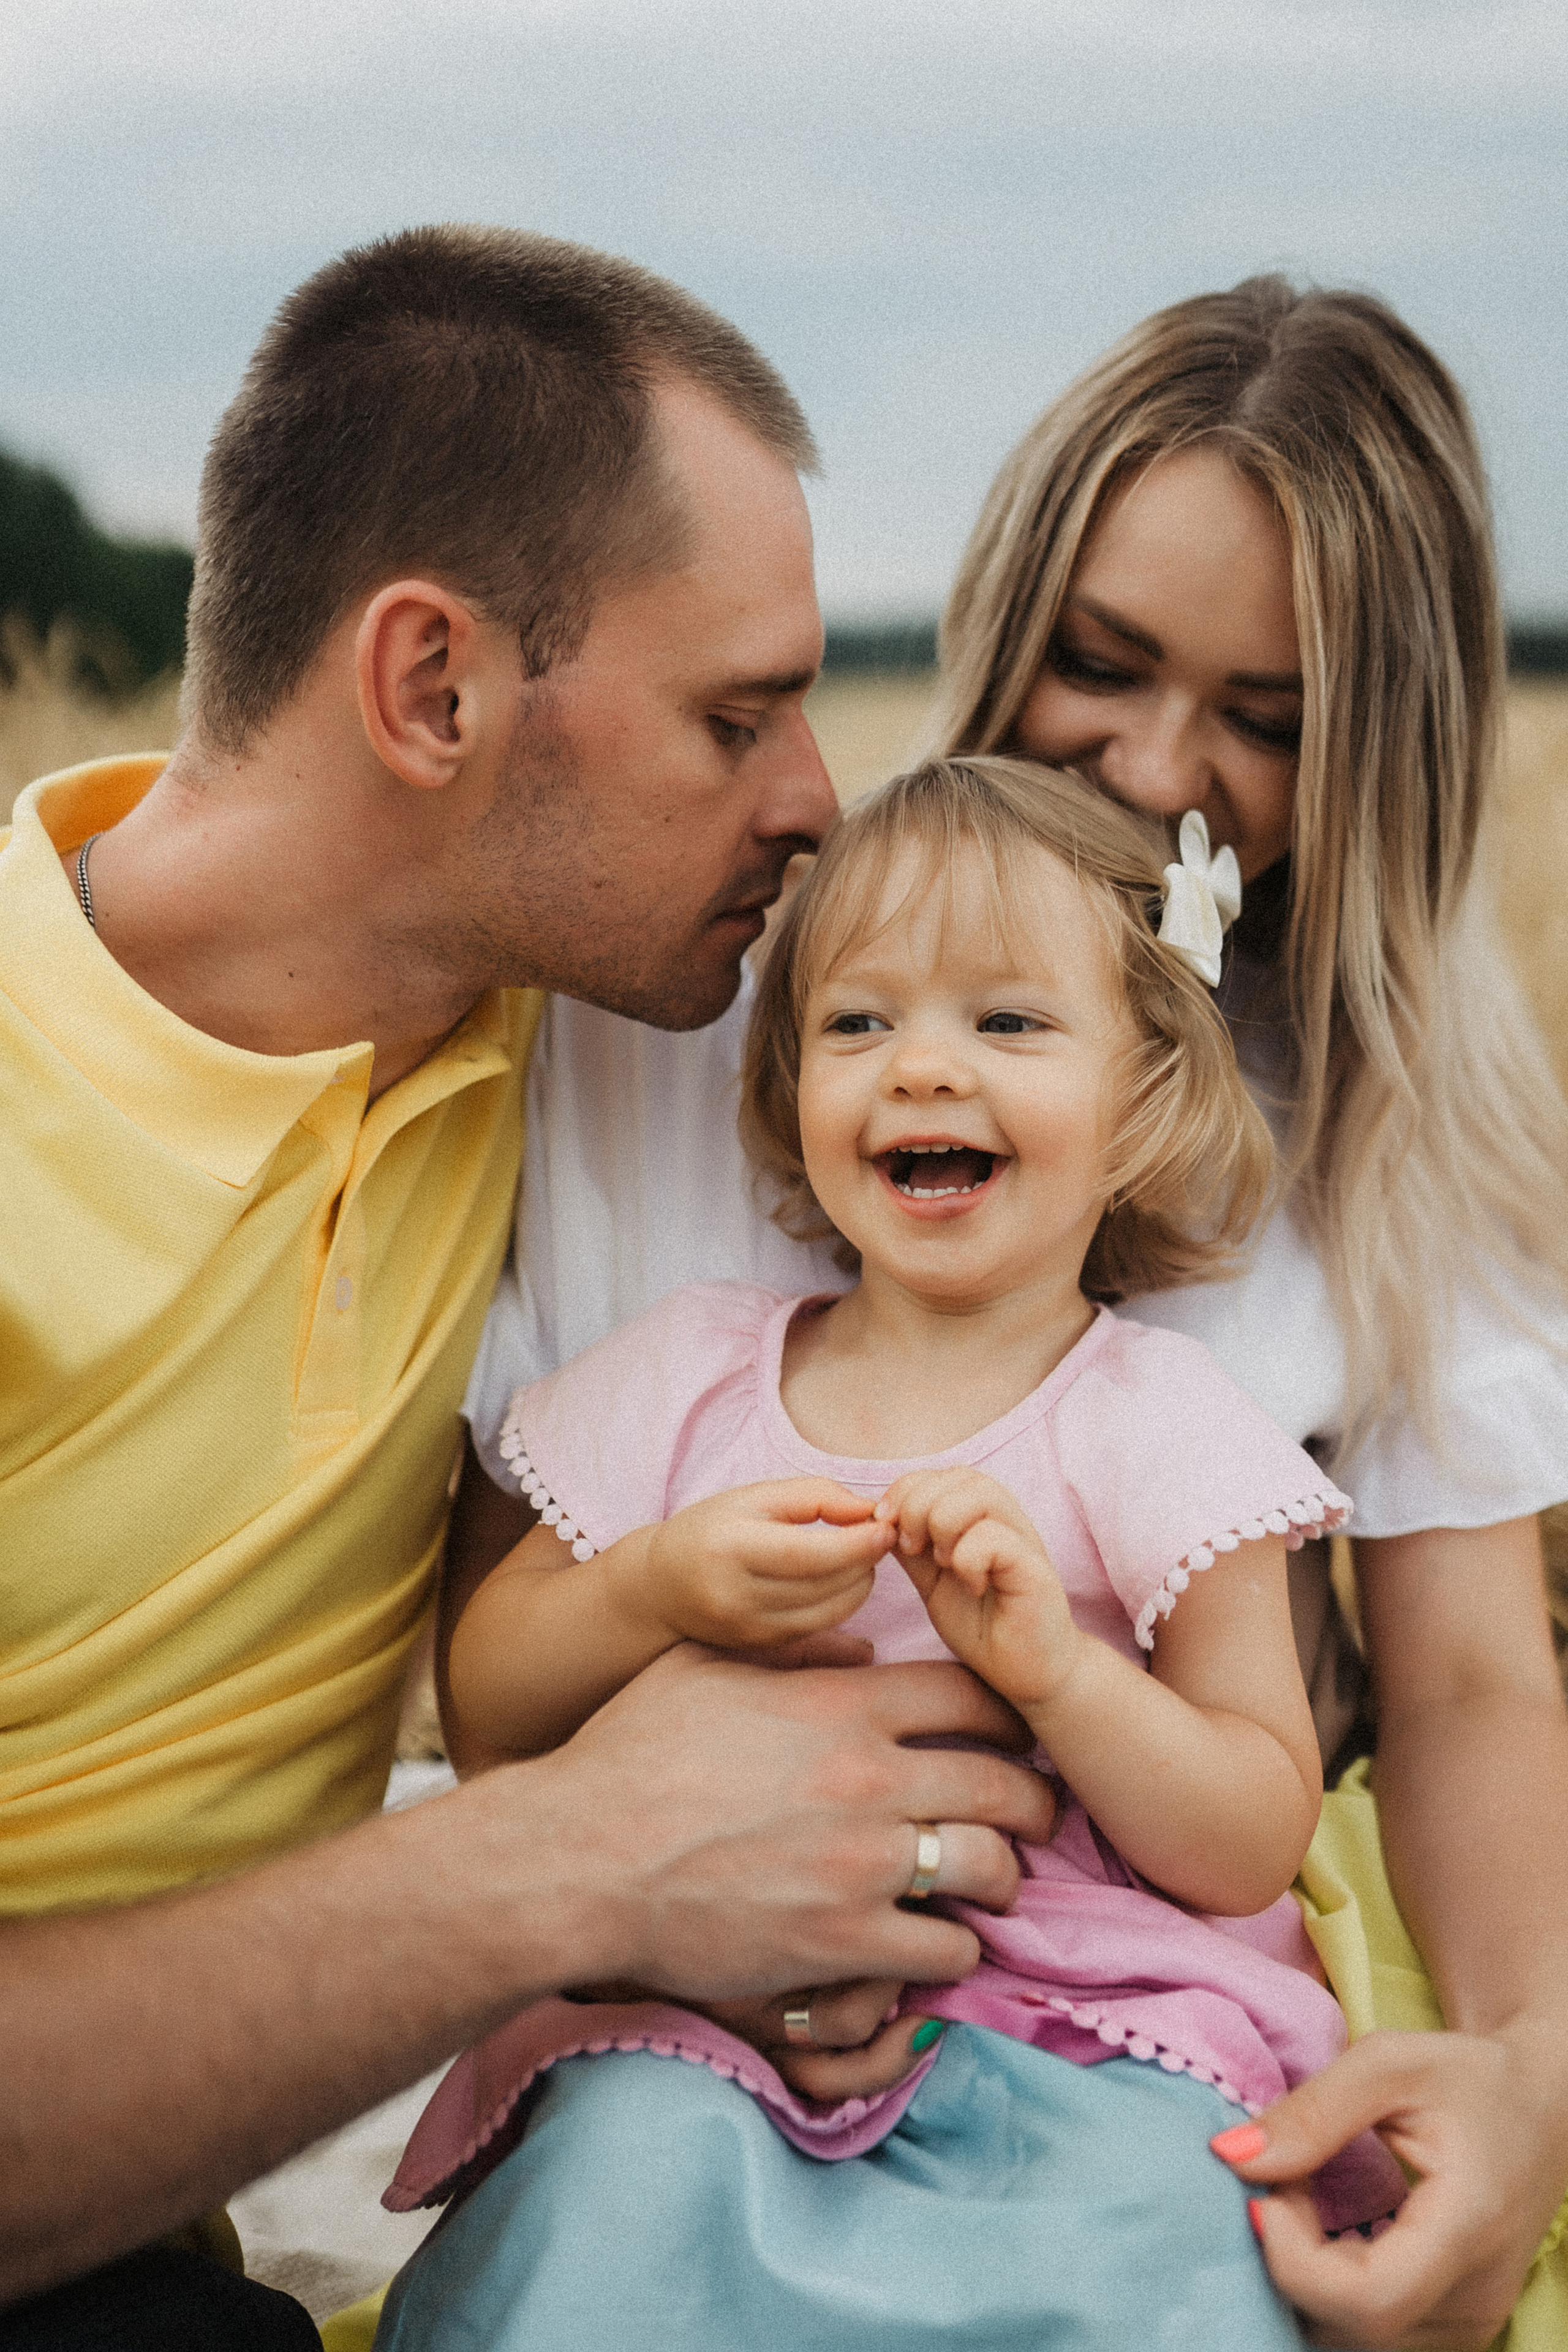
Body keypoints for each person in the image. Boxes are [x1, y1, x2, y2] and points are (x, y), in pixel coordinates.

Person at [451, 277, 1568, 2348]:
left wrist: (1528, 2071)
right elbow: (498, 1647)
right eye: (1103, 661)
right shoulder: (699, 1006)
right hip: (680, 2016)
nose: (1161, 768)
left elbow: (1476, 1680)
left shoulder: (1394, 1127)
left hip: (1098, 2020)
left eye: (1274, 716)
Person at [0, 227, 1058, 2345]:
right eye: (735, 715)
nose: (815, 798)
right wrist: (579, 1856)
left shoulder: (555, 1047)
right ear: (433, 689)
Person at [378, 755, 1423, 2349]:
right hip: (710, 2006)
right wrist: (652, 1586)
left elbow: (1248, 1833)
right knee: (622, 2182)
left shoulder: (1155, 1416)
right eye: (862, 1025)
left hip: (1080, 2030)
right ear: (792, 1083)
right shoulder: (690, 1375)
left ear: (1142, 1097)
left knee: (1160, 2221)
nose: (925, 1070)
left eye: (1007, 1024)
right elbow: (494, 1712)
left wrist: (1061, 1676)